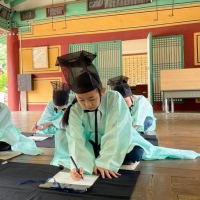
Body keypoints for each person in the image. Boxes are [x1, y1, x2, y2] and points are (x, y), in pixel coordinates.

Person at [53, 50, 199, 181]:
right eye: (81, 100)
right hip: (93, 142)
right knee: (70, 144)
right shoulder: (75, 109)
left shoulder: (114, 98)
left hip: (118, 140)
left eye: (92, 98)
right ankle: (95, 159)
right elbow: (77, 139)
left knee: (135, 154)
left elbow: (116, 131)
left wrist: (106, 163)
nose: (87, 104)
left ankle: (103, 158)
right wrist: (79, 166)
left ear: (102, 91)